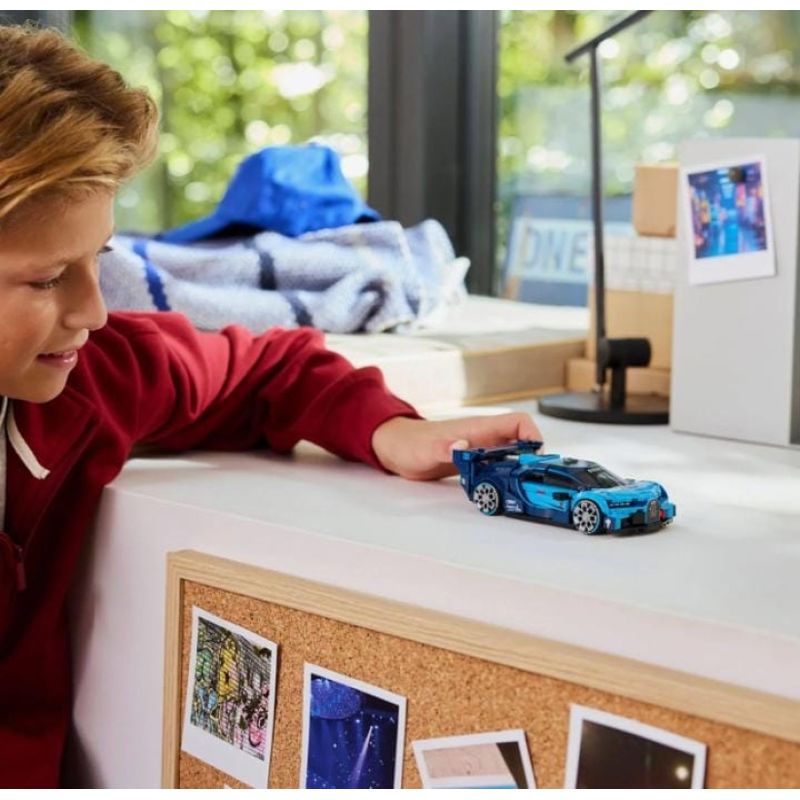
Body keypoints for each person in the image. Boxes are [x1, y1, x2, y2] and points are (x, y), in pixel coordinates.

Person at [0, 24, 543, 788]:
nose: (93, 310)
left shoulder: (93, 379)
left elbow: (266, 370)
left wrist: (388, 430)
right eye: (49, 278)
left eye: (100, 260)